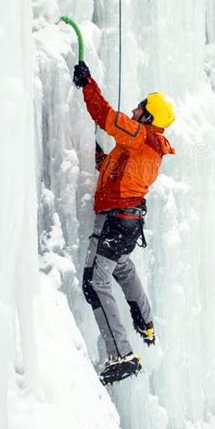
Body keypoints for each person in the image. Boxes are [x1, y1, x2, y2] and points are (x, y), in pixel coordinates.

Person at [73, 60, 176, 385]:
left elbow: (104, 115)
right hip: (128, 224)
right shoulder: (147, 148)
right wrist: (90, 150)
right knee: (121, 267)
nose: (133, 109)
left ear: (148, 116)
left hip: (116, 222)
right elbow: (112, 171)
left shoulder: (138, 135)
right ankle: (145, 321)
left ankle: (123, 354)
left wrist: (87, 83)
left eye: (140, 107)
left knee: (94, 281)